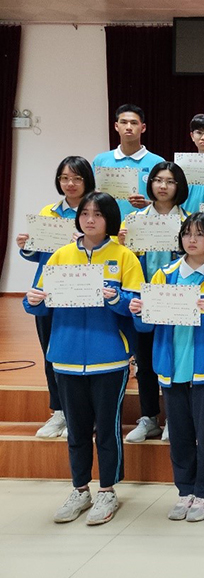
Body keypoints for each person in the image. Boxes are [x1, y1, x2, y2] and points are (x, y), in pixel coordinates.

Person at [23, 192, 143, 526]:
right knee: (75, 430)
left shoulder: (125, 257)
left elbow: (137, 305)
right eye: (85, 213)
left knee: (107, 429)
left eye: (98, 214)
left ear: (110, 219)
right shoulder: (60, 255)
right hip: (65, 356)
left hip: (110, 357)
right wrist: (32, 300)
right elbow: (37, 302)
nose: (90, 219)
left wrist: (116, 298)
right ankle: (79, 489)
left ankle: (107, 490)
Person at [129, 213, 204, 522]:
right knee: (178, 434)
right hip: (172, 366)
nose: (192, 239)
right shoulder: (165, 274)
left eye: (200, 234)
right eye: (187, 233)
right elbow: (146, 325)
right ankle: (185, 490)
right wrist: (139, 311)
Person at [16, 156, 94, 439]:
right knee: (51, 352)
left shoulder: (95, 211)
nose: (70, 183)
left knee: (85, 351)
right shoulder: (48, 212)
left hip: (84, 291)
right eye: (64, 178)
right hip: (49, 291)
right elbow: (38, 254)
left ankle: (85, 414)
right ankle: (59, 411)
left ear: (87, 180)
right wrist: (26, 246)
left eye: (76, 178)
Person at [119, 161, 191, 444]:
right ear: (150, 184)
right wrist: (122, 244)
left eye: (170, 181)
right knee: (145, 360)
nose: (163, 186)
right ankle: (149, 417)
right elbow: (123, 262)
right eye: (158, 180)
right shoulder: (133, 221)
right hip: (143, 301)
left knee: (176, 359)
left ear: (179, 186)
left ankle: (175, 418)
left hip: (178, 302)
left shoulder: (190, 221)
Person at [92, 104, 164, 217]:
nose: (129, 127)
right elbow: (90, 196)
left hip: (144, 223)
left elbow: (166, 201)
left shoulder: (157, 162)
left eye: (134, 123)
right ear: (116, 126)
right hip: (108, 224)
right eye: (124, 122)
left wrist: (148, 204)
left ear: (143, 128)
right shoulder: (100, 160)